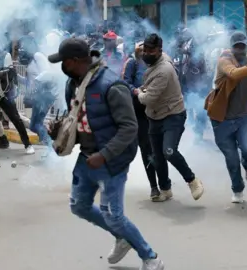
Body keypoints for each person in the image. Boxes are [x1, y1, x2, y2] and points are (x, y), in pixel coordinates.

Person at [47, 38, 164, 270]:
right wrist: (60, 132)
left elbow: (130, 127)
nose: (61, 66)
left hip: (112, 160)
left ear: (75, 61)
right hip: (88, 156)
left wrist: (105, 154)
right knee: (79, 206)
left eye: (64, 62)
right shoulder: (73, 84)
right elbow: (81, 120)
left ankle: (151, 257)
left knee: (113, 215)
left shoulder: (112, 85)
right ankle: (122, 237)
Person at [204, 31, 247, 203]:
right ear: (231, 46)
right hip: (221, 119)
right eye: (237, 46)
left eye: (243, 46)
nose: (240, 50)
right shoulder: (224, 60)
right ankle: (237, 190)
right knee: (232, 159)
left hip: (242, 116)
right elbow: (234, 74)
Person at [136, 33, 204, 202]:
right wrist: (139, 51)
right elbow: (140, 54)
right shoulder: (159, 58)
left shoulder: (163, 71)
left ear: (160, 51)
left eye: (151, 51)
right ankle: (165, 189)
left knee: (169, 151)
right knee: (157, 156)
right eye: (145, 50)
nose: (147, 54)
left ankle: (192, 180)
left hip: (172, 115)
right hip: (154, 116)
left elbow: (148, 99)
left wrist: (138, 92)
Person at [122, 41, 165, 201]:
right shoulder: (132, 63)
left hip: (156, 109)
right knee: (146, 148)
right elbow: (125, 82)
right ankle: (154, 186)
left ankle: (164, 183)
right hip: (139, 111)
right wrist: (136, 90)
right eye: (142, 51)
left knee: (160, 148)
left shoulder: (160, 64)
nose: (145, 54)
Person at [0, 35, 34, 154]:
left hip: (5, 94)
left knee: (16, 119)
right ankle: (3, 140)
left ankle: (28, 145)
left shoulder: (5, 55)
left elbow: (5, 74)